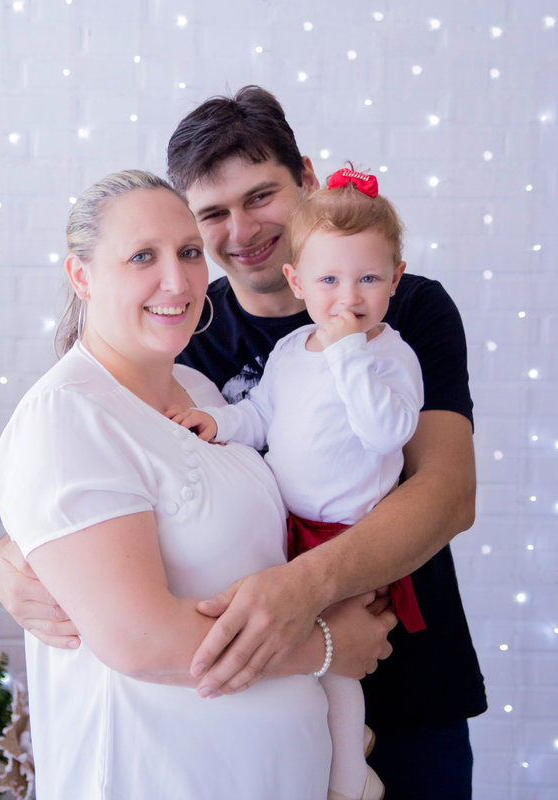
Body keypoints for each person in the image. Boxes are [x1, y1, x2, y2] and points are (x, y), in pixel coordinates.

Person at [0, 86, 486, 800]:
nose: (241, 230)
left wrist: (305, 596)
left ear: (306, 179)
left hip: (401, 660)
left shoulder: (400, 309)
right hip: (251, 695)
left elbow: (447, 493)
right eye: (212, 216)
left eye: (260, 197)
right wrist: (10, 557)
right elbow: (96, 478)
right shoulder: (184, 332)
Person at [171, 169, 424, 800]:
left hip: (345, 540)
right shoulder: (289, 351)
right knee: (290, 665)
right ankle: (313, 764)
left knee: (335, 667)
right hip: (281, 528)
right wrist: (218, 422)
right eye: (329, 281)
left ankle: (349, 779)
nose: (348, 299)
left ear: (396, 278)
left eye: (369, 279)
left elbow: (386, 432)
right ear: (297, 281)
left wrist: (348, 353)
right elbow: (260, 415)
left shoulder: (390, 356)